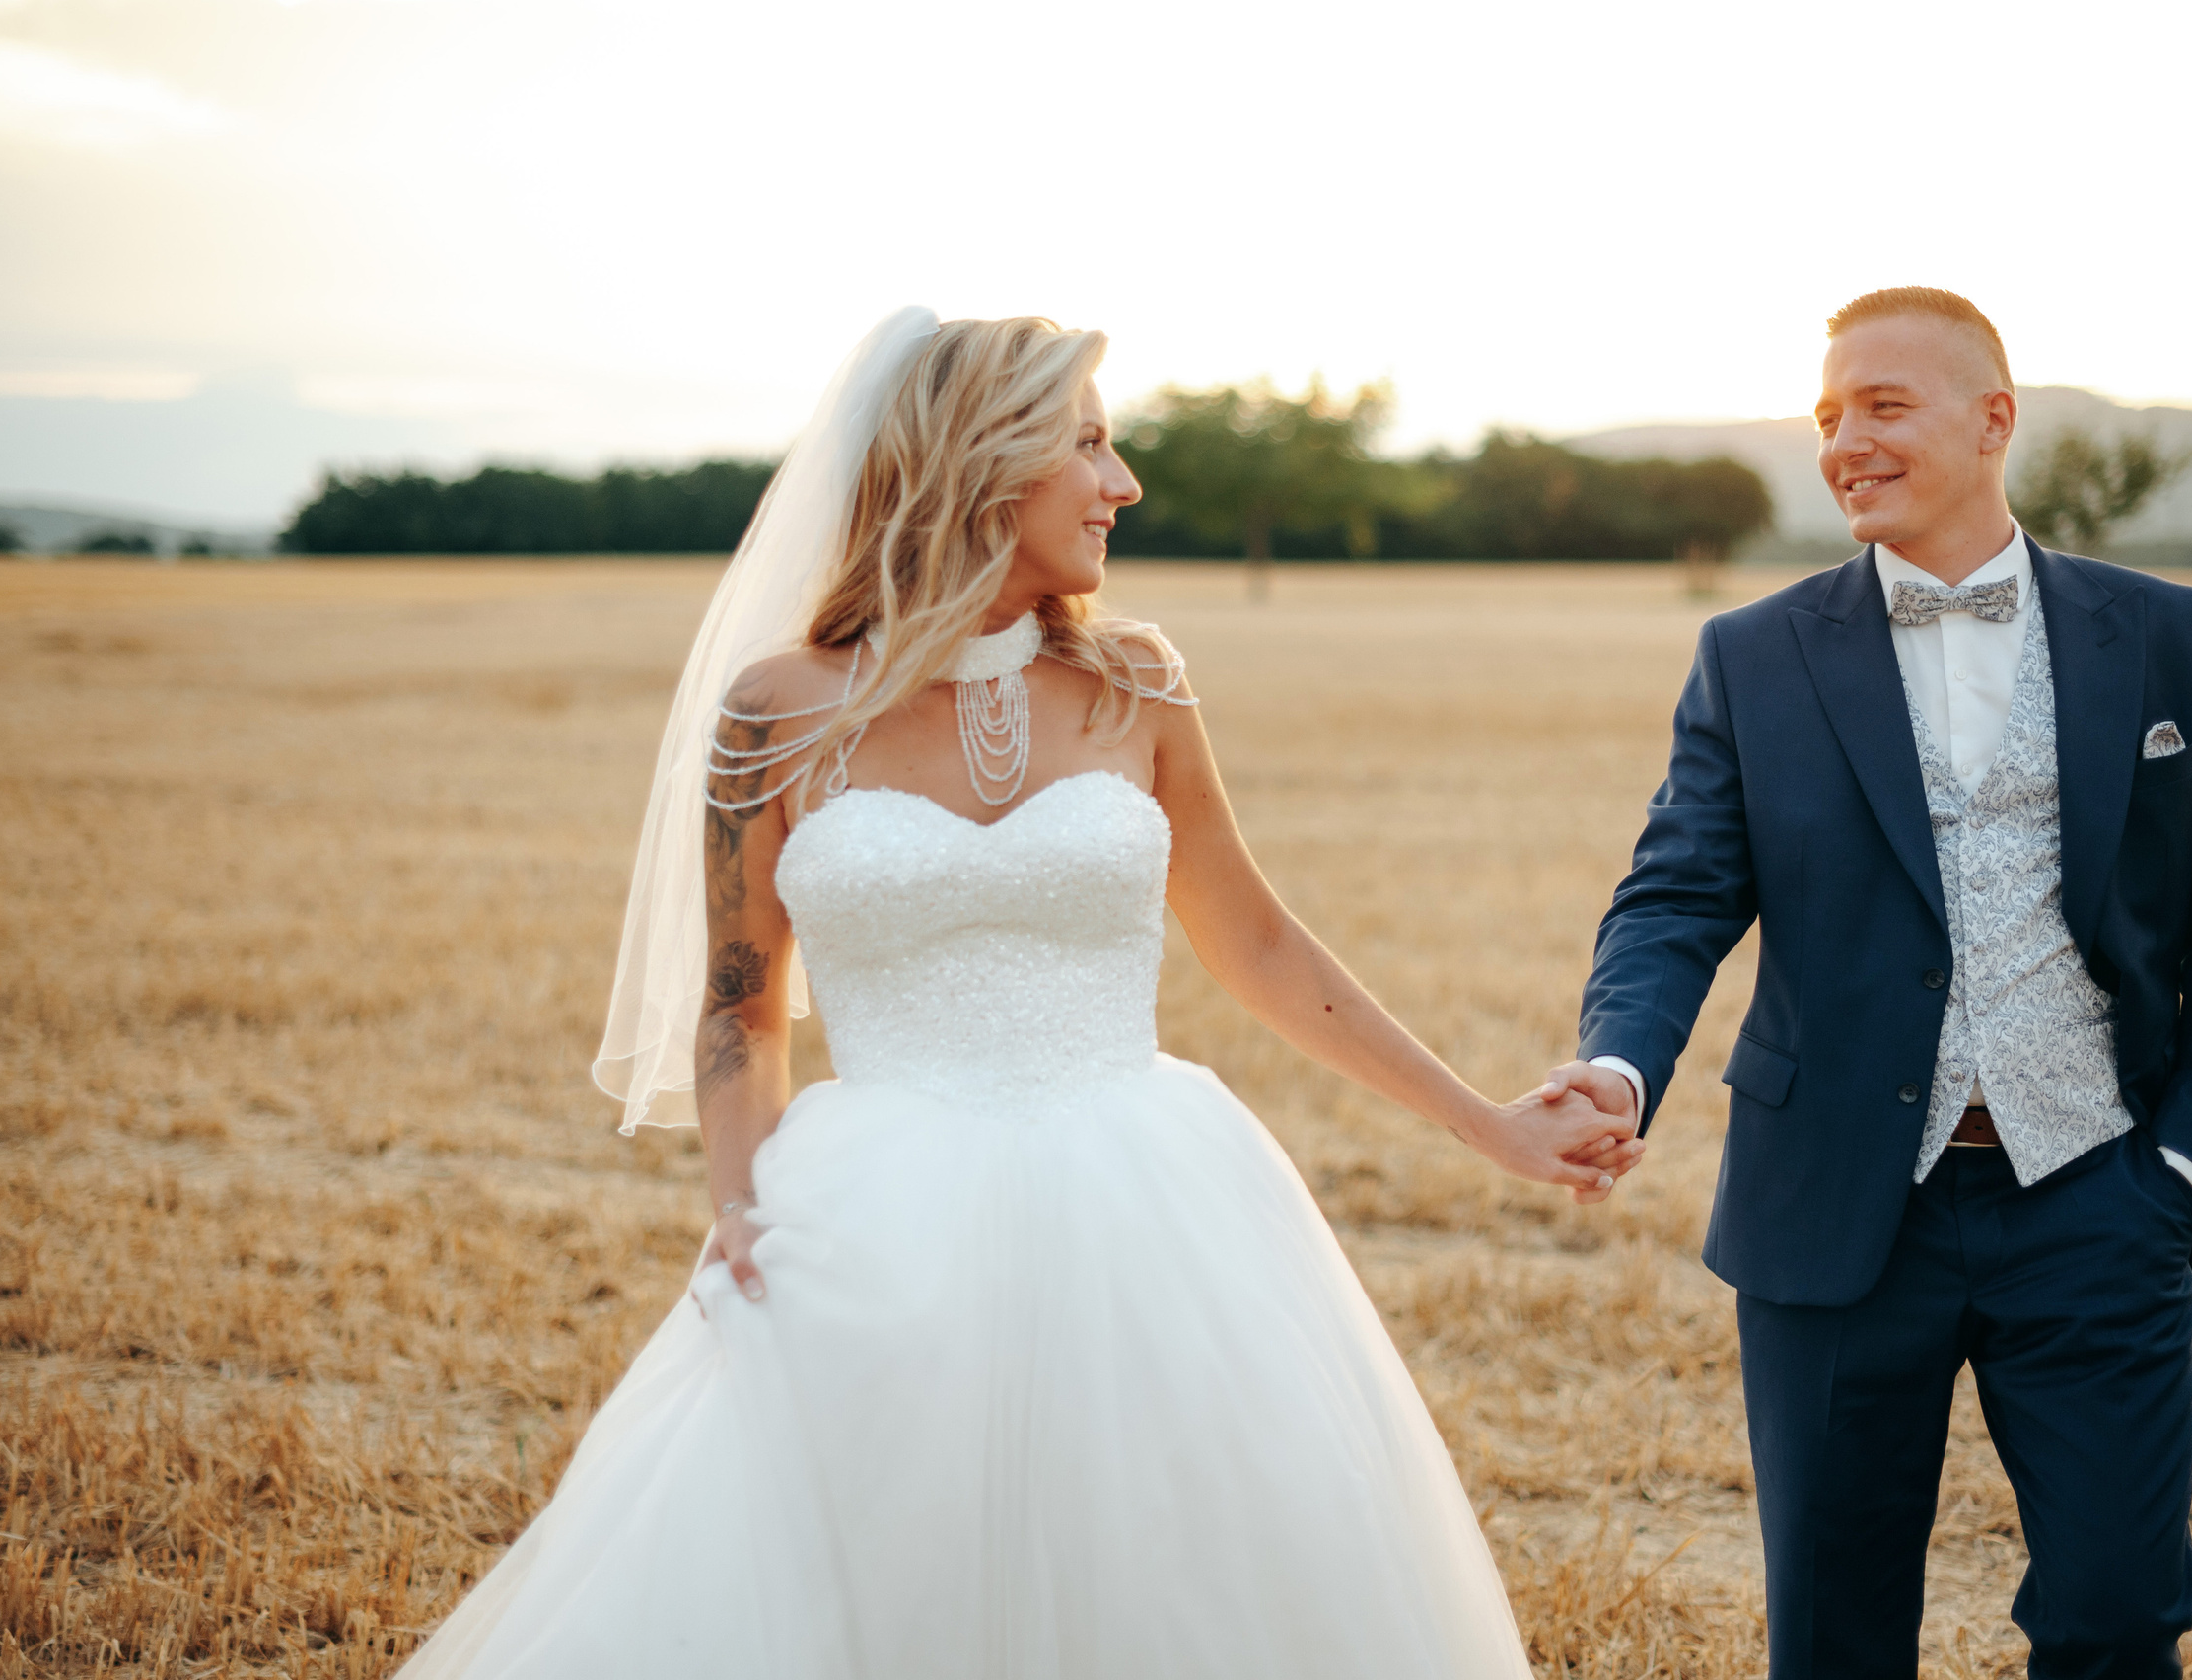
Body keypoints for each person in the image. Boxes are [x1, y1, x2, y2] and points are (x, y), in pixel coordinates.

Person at [397, 309, 1641, 1679]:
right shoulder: (780, 712)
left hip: (1155, 1206)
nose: (1126, 485)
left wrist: (1492, 1124)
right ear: (981, 463)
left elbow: (1261, 945)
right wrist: (743, 1211)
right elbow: (741, 1010)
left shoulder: (1140, 682)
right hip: (871, 1228)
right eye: (1092, 446)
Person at [1545, 287, 2192, 1677]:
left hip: (2098, 1201)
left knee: (2121, 1621)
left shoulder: (2169, 634)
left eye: (1883, 408)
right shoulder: (1754, 653)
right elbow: (1677, 896)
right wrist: (1619, 1061)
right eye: (1829, 418)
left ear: (1993, 419)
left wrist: (2186, 1173)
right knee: (1835, 1642)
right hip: (1836, 1213)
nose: (1845, 444)